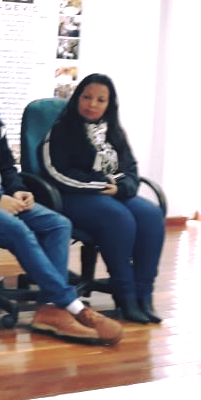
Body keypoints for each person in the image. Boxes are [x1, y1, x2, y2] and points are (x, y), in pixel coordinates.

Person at [0, 54, 123, 346]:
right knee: (19, 231)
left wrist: (16, 189)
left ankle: (49, 310)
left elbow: (7, 166)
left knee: (58, 224)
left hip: (1, 198)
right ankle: (74, 306)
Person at [42, 73, 165, 324]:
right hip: (72, 196)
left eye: (100, 100)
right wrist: (100, 185)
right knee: (118, 218)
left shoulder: (114, 131)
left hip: (111, 194)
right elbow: (57, 173)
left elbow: (130, 169)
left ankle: (144, 295)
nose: (92, 104)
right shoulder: (61, 130)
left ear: (110, 104)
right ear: (77, 98)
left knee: (151, 216)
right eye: (87, 97)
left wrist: (121, 187)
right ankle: (126, 295)